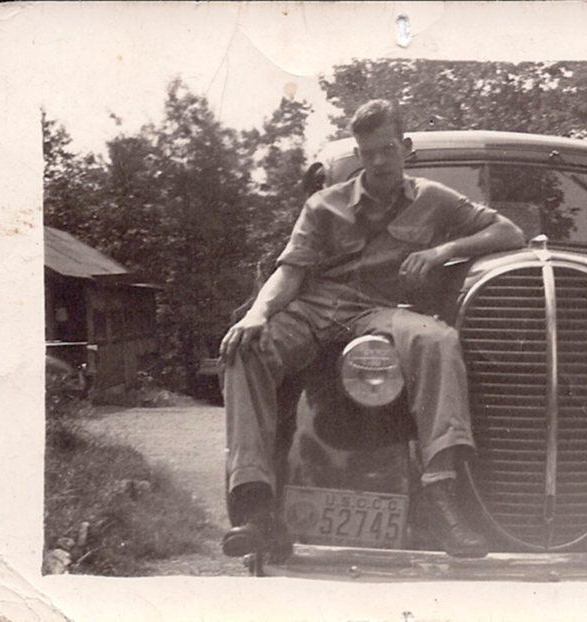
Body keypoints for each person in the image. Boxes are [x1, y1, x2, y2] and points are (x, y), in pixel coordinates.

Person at [219, 99, 526, 558]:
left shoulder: (434, 199)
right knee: (245, 347)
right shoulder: (323, 205)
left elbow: (509, 233)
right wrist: (257, 314)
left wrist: (442, 252)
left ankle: (442, 499)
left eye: (387, 149)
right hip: (316, 309)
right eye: (367, 152)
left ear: (406, 147)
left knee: (439, 340)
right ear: (358, 153)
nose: (379, 162)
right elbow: (291, 271)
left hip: (380, 312)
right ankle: (255, 507)